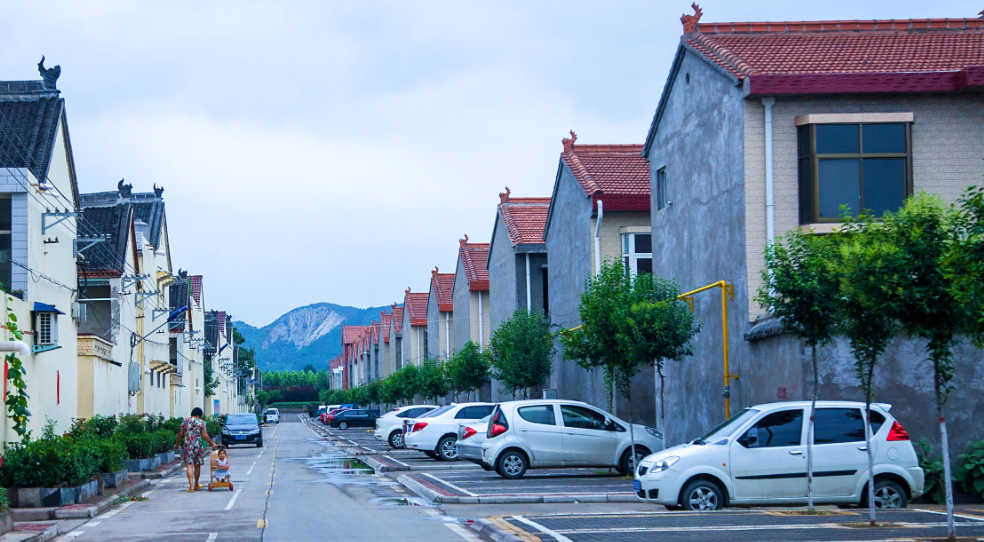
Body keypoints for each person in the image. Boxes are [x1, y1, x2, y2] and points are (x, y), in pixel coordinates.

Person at [174, 407, 217, 492]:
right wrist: (212, 444)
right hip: (197, 445)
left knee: (189, 465)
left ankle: (191, 486)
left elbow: (180, 435)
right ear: (198, 415)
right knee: (197, 465)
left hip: (187, 445)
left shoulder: (185, 421)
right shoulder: (201, 422)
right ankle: (196, 484)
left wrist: (177, 444)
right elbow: (205, 436)